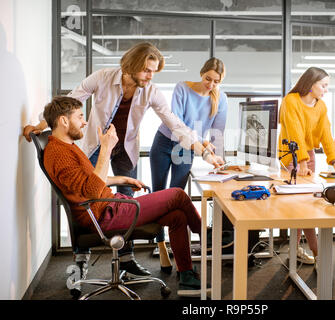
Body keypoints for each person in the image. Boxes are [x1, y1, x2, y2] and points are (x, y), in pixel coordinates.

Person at [22, 42, 223, 277]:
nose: (151, 76)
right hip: (99, 145)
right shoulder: (103, 77)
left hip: (125, 148)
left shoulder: (151, 91)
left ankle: (126, 260)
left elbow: (174, 124)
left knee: (125, 199)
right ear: (132, 65)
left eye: (154, 71)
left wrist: (204, 152)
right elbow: (70, 101)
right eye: (147, 70)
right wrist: (41, 125)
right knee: (85, 195)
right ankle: (80, 261)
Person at [42, 96, 213, 294]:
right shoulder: (59, 154)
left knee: (178, 216)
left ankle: (186, 274)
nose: (84, 121)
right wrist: (106, 148)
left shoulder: (66, 147)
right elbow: (91, 191)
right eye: (80, 117)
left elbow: (88, 182)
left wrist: (123, 179)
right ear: (64, 120)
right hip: (103, 216)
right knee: (177, 195)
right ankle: (207, 236)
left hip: (109, 207)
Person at [150, 57, 228, 273]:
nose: (210, 84)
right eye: (207, 78)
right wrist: (203, 149)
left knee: (177, 197)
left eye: (216, 81)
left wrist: (214, 155)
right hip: (166, 142)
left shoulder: (220, 98)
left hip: (188, 149)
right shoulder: (182, 88)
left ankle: (180, 251)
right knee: (158, 194)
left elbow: (216, 132)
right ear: (201, 73)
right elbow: (178, 124)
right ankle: (161, 245)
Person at [278, 67, 335, 268]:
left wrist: (334, 161)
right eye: (324, 85)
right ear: (311, 83)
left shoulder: (320, 106)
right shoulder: (291, 100)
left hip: (308, 156)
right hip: (290, 155)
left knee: (304, 207)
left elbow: (326, 134)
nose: (326, 90)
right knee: (302, 208)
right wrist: (301, 163)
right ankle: (317, 253)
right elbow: (294, 131)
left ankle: (295, 250)